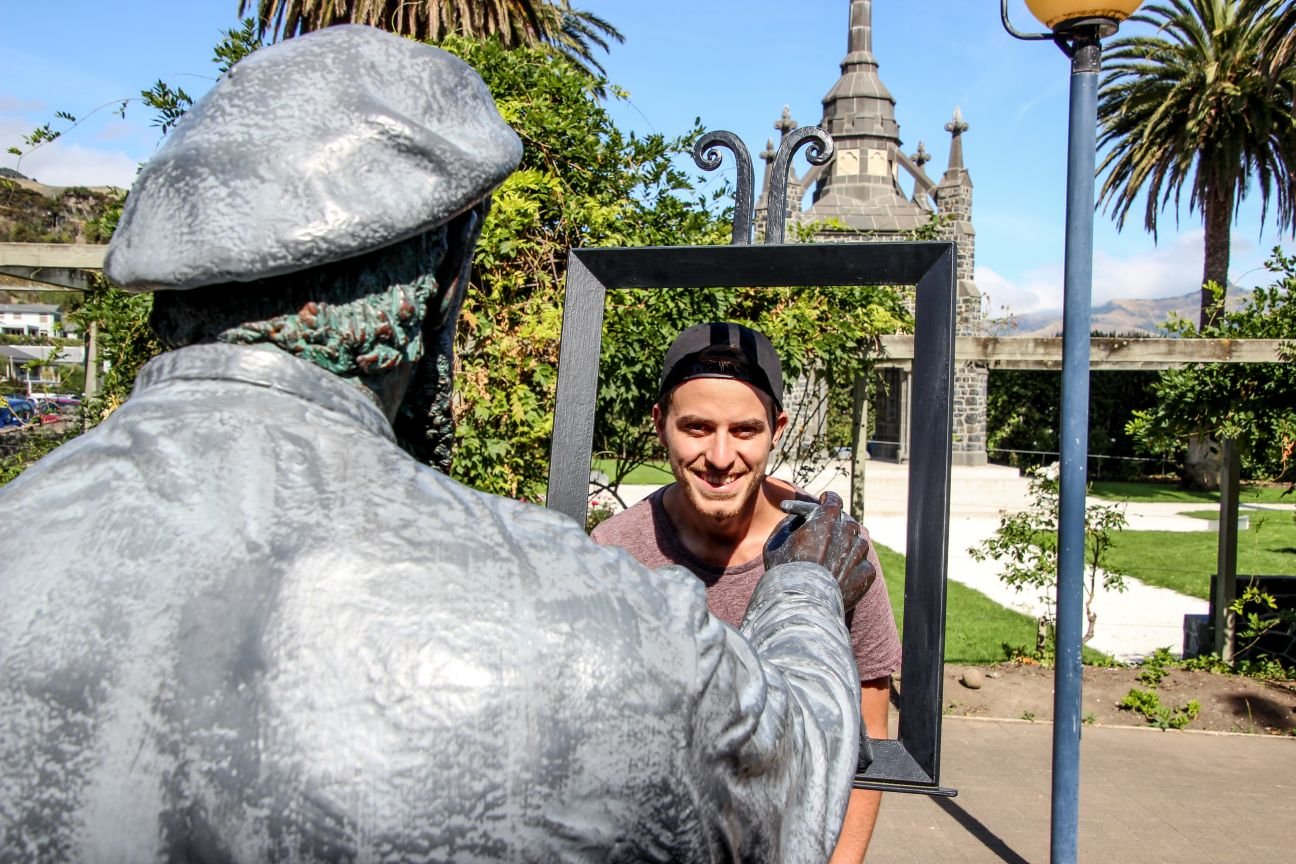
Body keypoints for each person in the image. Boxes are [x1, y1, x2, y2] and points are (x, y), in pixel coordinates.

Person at [0, 25, 875, 862]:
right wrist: (803, 590)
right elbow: (790, 787)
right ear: (446, 282)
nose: (719, 453)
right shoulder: (588, 615)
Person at [592, 322, 903, 863]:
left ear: (776, 429)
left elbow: (866, 739)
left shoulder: (835, 548)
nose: (720, 457)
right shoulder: (615, 552)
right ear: (660, 425)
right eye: (696, 427)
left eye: (744, 430)